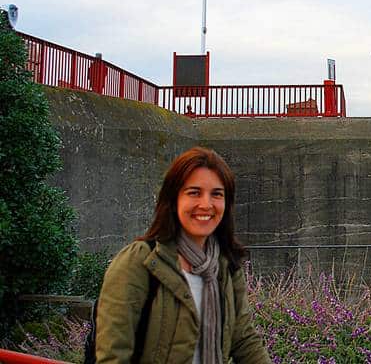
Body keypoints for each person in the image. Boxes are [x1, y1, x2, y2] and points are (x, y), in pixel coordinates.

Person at [95, 147, 268, 364]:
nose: (206, 205)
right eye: (194, 192)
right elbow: (114, 354)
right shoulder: (140, 262)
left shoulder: (225, 266)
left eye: (217, 194)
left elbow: (244, 340)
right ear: (173, 198)